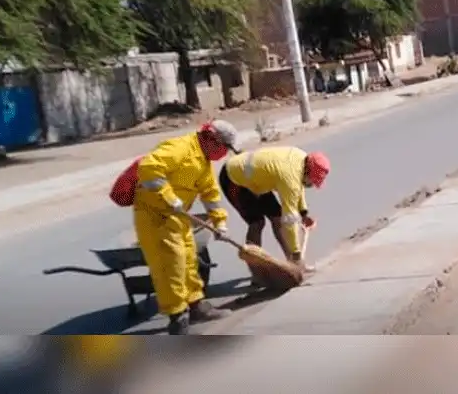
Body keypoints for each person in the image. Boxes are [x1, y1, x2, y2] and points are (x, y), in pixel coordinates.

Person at [134, 120, 241, 335]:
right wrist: (169, 197)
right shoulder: (180, 148)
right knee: (170, 266)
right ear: (212, 140)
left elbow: (210, 193)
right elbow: (148, 168)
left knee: (190, 260)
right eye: (224, 148)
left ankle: (196, 305)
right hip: (155, 215)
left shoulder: (203, 160)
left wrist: (219, 222)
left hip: (178, 216)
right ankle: (177, 317)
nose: (223, 154)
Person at [219, 146, 330, 281]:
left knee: (276, 218)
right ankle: (257, 273)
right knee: (257, 223)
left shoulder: (302, 158)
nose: (312, 185)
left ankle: (292, 265)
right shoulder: (289, 178)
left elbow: (299, 186)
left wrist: (304, 212)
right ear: (307, 170)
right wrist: (296, 252)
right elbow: (289, 220)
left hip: (256, 180)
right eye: (312, 180)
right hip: (234, 179)